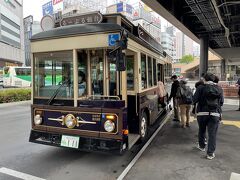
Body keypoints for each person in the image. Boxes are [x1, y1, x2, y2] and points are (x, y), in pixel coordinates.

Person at [193, 73, 224, 160]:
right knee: (212, 134)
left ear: (204, 79)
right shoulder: (219, 88)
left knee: (202, 130)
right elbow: (221, 102)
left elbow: (194, 100)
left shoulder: (200, 88)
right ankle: (210, 154)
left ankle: (202, 146)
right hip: (215, 114)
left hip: (202, 114)